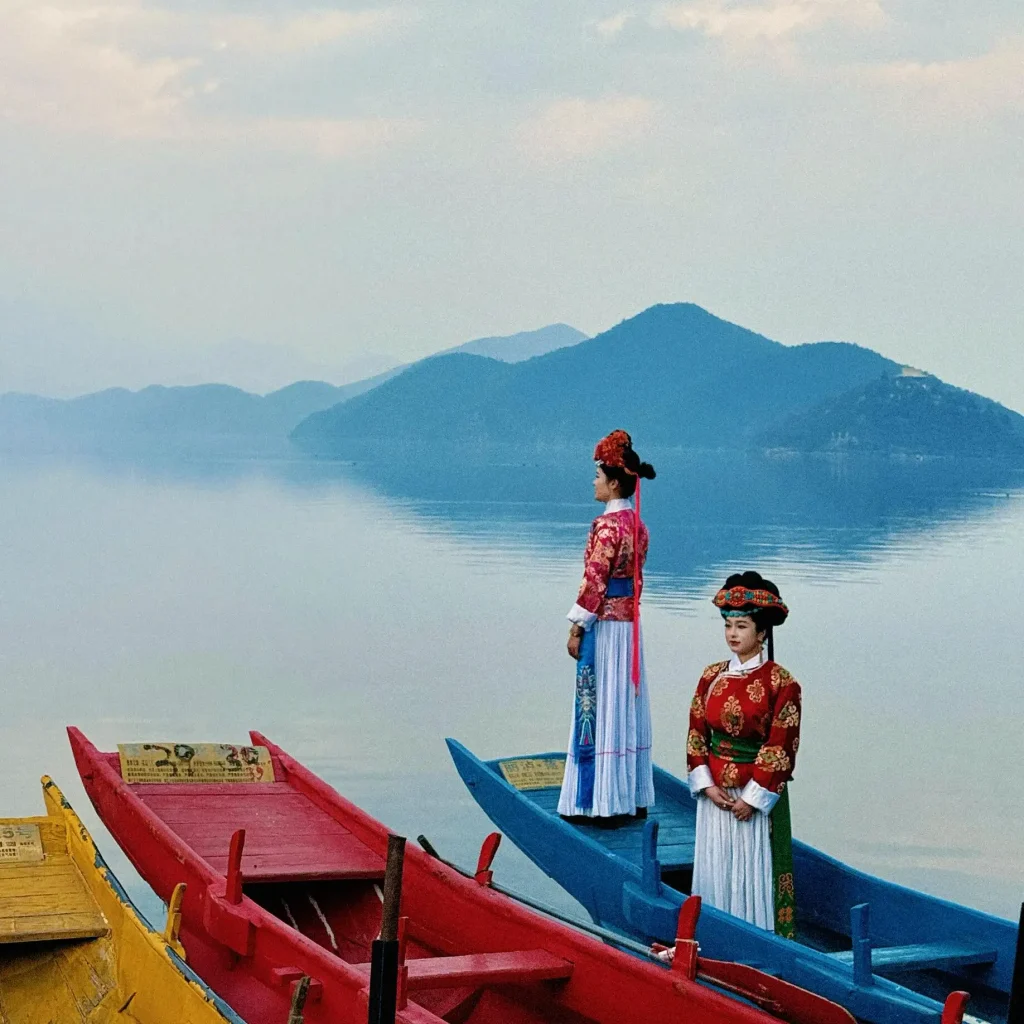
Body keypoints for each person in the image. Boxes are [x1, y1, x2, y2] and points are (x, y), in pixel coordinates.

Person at [686, 571, 801, 938]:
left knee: (754, 873)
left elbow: (781, 745)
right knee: (716, 868)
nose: (733, 634)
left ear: (762, 631)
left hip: (755, 797)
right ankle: (712, 938)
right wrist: (705, 785)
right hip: (716, 796)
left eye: (743, 626)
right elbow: (696, 733)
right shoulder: (711, 676)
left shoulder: (781, 683)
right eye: (729, 626)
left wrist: (753, 799)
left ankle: (758, 942)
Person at [557, 429, 657, 826]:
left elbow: (594, 580)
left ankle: (596, 800)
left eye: (598, 477)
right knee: (625, 705)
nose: (594, 483)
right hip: (629, 627)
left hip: (606, 629)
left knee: (597, 705)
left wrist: (577, 627)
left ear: (614, 482)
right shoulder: (638, 526)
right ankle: (630, 795)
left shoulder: (607, 527)